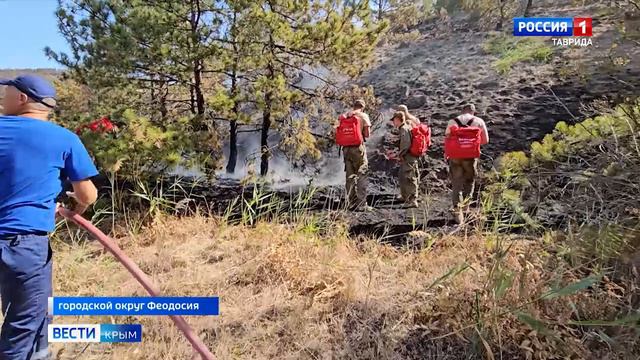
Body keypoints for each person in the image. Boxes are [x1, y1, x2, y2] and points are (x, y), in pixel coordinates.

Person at [0, 75, 99, 360]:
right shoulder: (64, 138)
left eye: (7, 92)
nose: (3, 97)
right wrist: (76, 208)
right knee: (22, 326)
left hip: (22, 244)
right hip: (24, 246)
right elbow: (88, 195)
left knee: (35, 314)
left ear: (22, 99)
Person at [445, 104, 489, 222]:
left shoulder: (452, 121)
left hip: (455, 157)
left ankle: (457, 213)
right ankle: (466, 208)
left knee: (456, 183)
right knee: (469, 181)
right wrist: (470, 145)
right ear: (473, 112)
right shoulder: (479, 121)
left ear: (462, 111)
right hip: (470, 157)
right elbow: (485, 140)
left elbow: (447, 138)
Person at [339, 99, 371, 210]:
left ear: (354, 106)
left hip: (346, 149)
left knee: (349, 176)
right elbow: (367, 134)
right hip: (358, 149)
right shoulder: (363, 115)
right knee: (362, 173)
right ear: (362, 107)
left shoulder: (345, 115)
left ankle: (350, 202)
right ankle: (361, 204)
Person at [389, 111, 419, 208]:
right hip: (408, 157)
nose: (393, 123)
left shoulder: (404, 129)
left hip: (408, 157)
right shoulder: (406, 127)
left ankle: (412, 200)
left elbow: (406, 144)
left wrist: (399, 154)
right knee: (403, 176)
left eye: (394, 120)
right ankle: (405, 196)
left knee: (410, 178)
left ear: (397, 120)